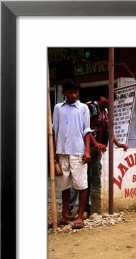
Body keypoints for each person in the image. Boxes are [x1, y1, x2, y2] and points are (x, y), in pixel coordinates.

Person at [68, 91, 128, 219]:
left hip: (95, 149)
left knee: (90, 179)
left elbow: (107, 129)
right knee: (77, 177)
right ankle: (69, 207)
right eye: (108, 98)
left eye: (112, 100)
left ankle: (85, 208)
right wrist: (95, 144)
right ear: (101, 97)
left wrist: (118, 143)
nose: (110, 101)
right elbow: (85, 128)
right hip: (83, 147)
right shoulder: (89, 106)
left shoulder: (105, 112)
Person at [53, 79, 92, 229]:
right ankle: (65, 216)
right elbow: (54, 130)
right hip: (62, 152)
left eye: (76, 92)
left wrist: (87, 150)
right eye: (70, 92)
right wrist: (54, 153)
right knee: (64, 186)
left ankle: (80, 215)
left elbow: (86, 130)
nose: (74, 95)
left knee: (81, 184)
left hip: (78, 151)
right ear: (64, 93)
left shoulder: (83, 108)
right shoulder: (58, 108)